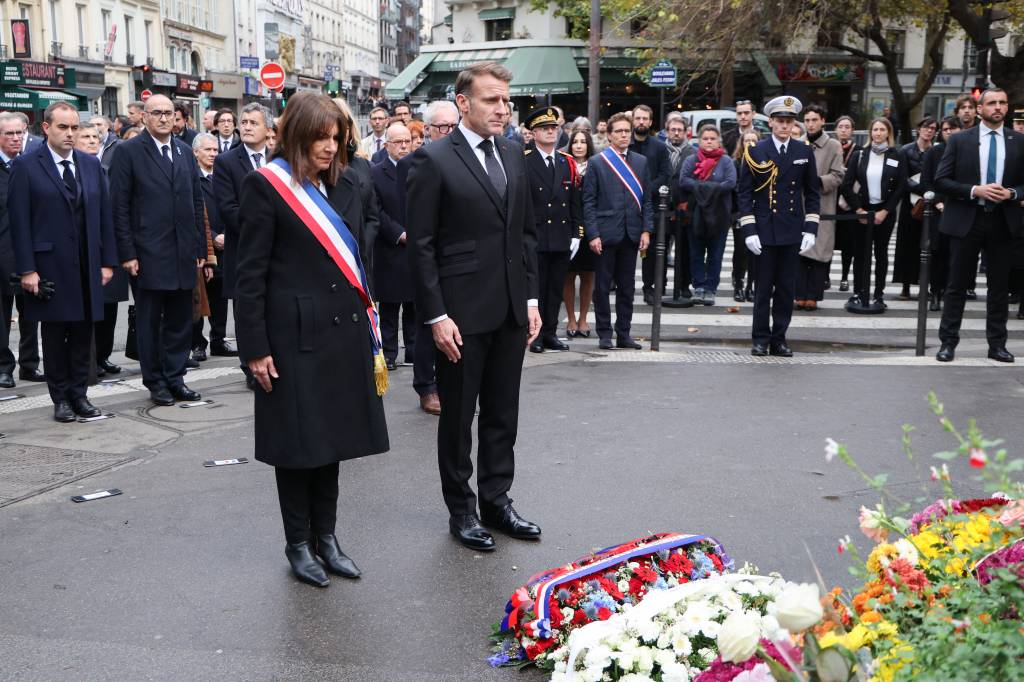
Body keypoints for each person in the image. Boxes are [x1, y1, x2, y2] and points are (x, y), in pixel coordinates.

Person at [235, 92, 388, 588]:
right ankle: (298, 544)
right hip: (292, 337)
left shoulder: (339, 184)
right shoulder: (266, 186)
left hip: (340, 334)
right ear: (298, 136)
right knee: (297, 447)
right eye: (320, 138)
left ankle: (328, 539)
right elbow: (249, 274)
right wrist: (254, 347)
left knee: (332, 443)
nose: (329, 147)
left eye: (336, 137)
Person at [406, 62, 542, 552]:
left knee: (503, 412)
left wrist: (529, 297)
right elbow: (421, 245)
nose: (502, 109)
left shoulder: (514, 153)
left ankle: (497, 501)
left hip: (509, 309)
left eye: (506, 100)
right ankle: (461, 510)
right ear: (464, 103)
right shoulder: (435, 159)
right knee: (459, 416)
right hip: (459, 316)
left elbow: (523, 233)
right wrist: (436, 316)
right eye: (491, 100)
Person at [8, 102, 117, 421]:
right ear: (46, 128)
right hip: (49, 264)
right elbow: (19, 222)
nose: (70, 134)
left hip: (87, 261)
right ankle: (61, 399)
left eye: (74, 128)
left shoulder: (89, 164)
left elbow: (103, 216)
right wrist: (27, 269)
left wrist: (107, 260)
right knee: (56, 335)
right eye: (63, 128)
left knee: (84, 331)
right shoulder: (26, 166)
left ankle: (80, 394)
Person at [109, 94, 206, 406]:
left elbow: (195, 201)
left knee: (181, 319)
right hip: (147, 253)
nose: (164, 118)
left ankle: (175, 376)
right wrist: (127, 253)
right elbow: (119, 206)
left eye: (169, 113)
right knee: (150, 322)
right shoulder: (129, 152)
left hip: (183, 251)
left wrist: (200, 247)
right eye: (157, 113)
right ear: (144, 117)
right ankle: (155, 381)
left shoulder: (184, 152)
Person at [935, 88, 1024, 363]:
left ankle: (997, 344)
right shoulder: (961, 141)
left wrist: (1013, 194)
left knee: (998, 287)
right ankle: (948, 343)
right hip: (967, 219)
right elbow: (941, 180)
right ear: (980, 108)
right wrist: (975, 190)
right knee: (957, 285)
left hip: (1003, 221)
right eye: (992, 103)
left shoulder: (1019, 141)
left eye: (1002, 103)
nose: (997, 107)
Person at [737, 95, 821, 357]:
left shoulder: (804, 151)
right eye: (780, 121)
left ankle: (779, 338)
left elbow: (812, 193)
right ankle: (760, 338)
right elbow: (744, 194)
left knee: (786, 289)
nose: (785, 126)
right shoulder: (756, 151)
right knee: (763, 289)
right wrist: (749, 230)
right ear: (771, 122)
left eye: (789, 121)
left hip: (791, 229)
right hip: (763, 229)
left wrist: (811, 228)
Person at [397, 99, 458, 416]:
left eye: (453, 126)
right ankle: (426, 386)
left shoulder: (465, 159)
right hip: (428, 256)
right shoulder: (415, 162)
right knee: (427, 323)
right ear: (429, 129)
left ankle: (452, 385)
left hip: (458, 259)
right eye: (441, 127)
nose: (447, 132)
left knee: (457, 324)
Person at [583, 112, 654, 350]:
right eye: (619, 131)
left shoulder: (641, 162)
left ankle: (624, 333)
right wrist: (592, 234)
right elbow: (589, 201)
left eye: (627, 131)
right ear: (610, 135)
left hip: (631, 233)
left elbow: (647, 201)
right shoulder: (597, 162)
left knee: (627, 288)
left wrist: (646, 230)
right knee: (602, 288)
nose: (624, 135)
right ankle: (604, 333)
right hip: (605, 234)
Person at [213, 103, 273, 373]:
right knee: (247, 309)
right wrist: (264, 228)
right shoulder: (226, 161)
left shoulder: (278, 158)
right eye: (244, 122)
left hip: (278, 251)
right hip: (245, 248)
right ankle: (250, 365)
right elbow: (228, 209)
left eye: (253, 122)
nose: (246, 127)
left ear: (268, 129)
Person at [523, 106, 582, 353]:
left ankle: (550, 333)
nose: (550, 132)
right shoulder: (524, 160)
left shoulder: (566, 162)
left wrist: (576, 233)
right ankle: (534, 335)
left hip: (560, 235)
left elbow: (574, 200)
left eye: (553, 128)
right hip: (535, 236)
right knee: (536, 289)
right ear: (533, 133)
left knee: (556, 288)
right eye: (544, 128)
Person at [840, 117, 907, 310]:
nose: (878, 133)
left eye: (882, 130)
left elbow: (901, 186)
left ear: (889, 133)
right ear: (870, 133)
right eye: (875, 130)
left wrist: (886, 211)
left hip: (885, 212)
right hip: (862, 211)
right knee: (860, 254)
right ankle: (859, 292)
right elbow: (846, 185)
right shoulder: (860, 155)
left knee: (881, 254)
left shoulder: (897, 155)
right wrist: (859, 210)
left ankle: (878, 294)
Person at [0, 112, 43, 387]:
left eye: (20, 133)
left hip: (32, 252)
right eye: (9, 134)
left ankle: (30, 365)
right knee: (2, 317)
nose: (16, 138)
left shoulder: (30, 165)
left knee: (32, 314)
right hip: (2, 253)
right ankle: (4, 367)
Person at [371, 123, 416, 369]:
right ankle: (388, 352)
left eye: (407, 141)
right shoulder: (376, 172)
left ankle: (412, 349)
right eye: (398, 142)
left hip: (415, 247)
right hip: (390, 248)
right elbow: (376, 210)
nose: (403, 146)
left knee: (414, 306)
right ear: (387, 144)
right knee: (389, 307)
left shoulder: (419, 168)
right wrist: (398, 233)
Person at [679, 124, 736, 306]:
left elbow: (730, 183)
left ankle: (711, 288)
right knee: (696, 253)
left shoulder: (726, 161)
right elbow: (683, 180)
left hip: (720, 215)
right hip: (695, 214)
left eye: (712, 138)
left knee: (715, 254)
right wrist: (712, 187)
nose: (709, 141)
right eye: (705, 138)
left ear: (718, 141)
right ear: (699, 140)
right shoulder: (691, 159)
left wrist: (702, 186)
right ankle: (699, 287)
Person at [795, 105, 845, 311]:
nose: (810, 124)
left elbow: (838, 175)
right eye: (807, 120)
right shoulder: (797, 143)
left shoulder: (833, 145)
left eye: (814, 119)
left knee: (819, 251)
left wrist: (814, 182)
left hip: (822, 205)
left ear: (823, 121)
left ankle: (813, 295)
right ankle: (799, 294)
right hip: (798, 206)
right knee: (799, 251)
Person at [191, 133, 229, 363]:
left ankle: (218, 339)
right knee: (199, 296)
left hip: (225, 244)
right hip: (203, 245)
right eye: (208, 150)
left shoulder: (222, 177)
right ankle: (198, 343)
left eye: (215, 150)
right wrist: (213, 237)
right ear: (196, 152)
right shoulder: (192, 178)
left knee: (220, 296)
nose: (213, 154)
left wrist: (226, 234)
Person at [630, 105, 672, 305]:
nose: (641, 122)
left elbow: (666, 175)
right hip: (627, 207)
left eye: (645, 118)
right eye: (637, 118)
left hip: (652, 207)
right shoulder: (625, 144)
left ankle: (649, 288)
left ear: (651, 121)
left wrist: (645, 191)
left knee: (652, 252)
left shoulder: (659, 147)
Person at [919, 116, 962, 312]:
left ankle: (950, 293)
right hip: (938, 211)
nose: (950, 132)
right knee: (937, 254)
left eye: (954, 129)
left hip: (961, 209)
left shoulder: (969, 151)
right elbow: (926, 181)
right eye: (946, 129)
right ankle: (935, 292)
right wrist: (937, 202)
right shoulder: (934, 152)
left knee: (957, 255)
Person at [892, 117, 936, 299]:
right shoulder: (905, 150)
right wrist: (921, 188)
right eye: (926, 127)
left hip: (929, 203)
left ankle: (924, 284)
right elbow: (901, 178)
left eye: (933, 128)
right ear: (919, 129)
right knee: (906, 244)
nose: (929, 131)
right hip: (909, 204)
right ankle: (905, 284)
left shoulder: (936, 151)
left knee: (926, 245)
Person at [563, 127, 596, 338]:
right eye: (575, 142)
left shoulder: (596, 166)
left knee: (588, 276)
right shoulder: (564, 165)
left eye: (583, 142)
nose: (579, 146)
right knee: (568, 276)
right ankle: (571, 319)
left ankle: (583, 319)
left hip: (590, 227)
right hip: (568, 227)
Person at [664, 113, 695, 302]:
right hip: (664, 207)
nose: (676, 133)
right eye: (672, 130)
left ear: (685, 132)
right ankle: (660, 285)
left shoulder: (692, 152)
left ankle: (684, 285)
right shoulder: (661, 150)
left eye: (679, 130)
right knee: (661, 248)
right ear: (667, 131)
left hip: (685, 207)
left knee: (685, 250)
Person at [730, 130, 761, 303]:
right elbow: (736, 188)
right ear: (741, 143)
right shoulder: (736, 162)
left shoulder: (764, 162)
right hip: (741, 212)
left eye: (753, 140)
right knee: (740, 250)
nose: (750, 143)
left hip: (759, 212)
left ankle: (751, 285)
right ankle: (739, 284)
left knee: (755, 252)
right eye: (746, 140)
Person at [833, 115, 858, 291]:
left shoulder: (858, 151)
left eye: (847, 127)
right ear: (836, 129)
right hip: (831, 199)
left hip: (850, 200)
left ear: (852, 130)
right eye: (841, 126)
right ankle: (824, 275)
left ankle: (844, 276)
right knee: (828, 240)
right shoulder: (831, 148)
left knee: (849, 242)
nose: (843, 130)